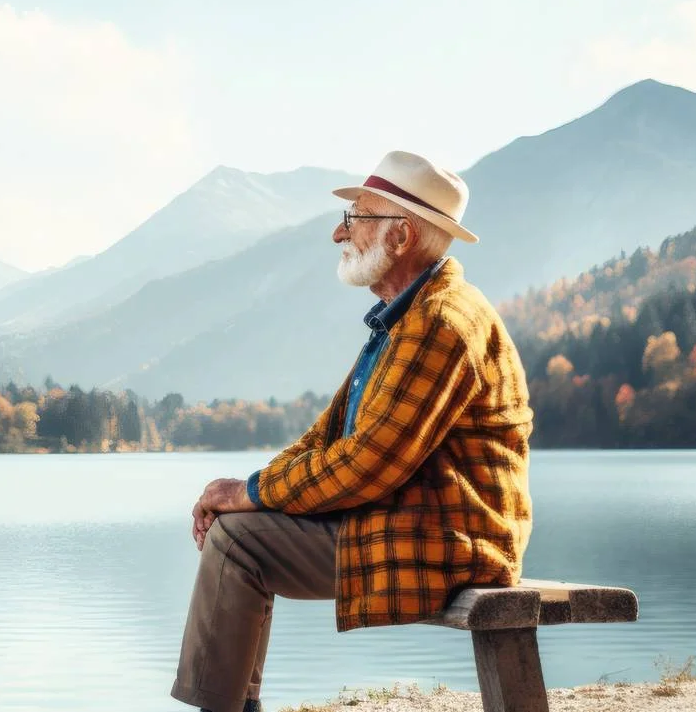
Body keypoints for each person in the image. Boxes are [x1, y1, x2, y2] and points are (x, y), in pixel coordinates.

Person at [169, 150, 535, 712]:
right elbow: (324, 440)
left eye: (355, 217)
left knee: (238, 541)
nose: (339, 233)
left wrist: (246, 494)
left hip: (455, 541)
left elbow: (365, 464)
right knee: (238, 529)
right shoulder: (405, 318)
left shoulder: (441, 322)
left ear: (400, 235)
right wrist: (243, 493)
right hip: (413, 520)